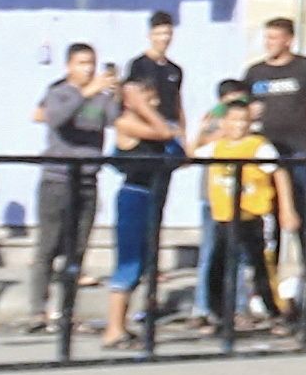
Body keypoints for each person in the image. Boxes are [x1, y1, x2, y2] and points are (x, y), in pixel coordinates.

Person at [235, 18, 306, 292]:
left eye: (275, 38)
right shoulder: (255, 72)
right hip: (265, 152)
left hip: (298, 151)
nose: (269, 43)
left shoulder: (305, 67)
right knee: (267, 214)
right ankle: (266, 278)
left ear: (288, 40)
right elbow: (235, 104)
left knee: (303, 213)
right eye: (267, 37)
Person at [102, 40, 187, 351]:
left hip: (153, 194)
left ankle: (124, 325)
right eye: (146, 98)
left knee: (142, 262)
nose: (152, 104)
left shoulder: (151, 118)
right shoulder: (125, 122)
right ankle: (113, 328)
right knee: (128, 262)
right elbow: (164, 132)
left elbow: (177, 146)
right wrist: (136, 105)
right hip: (134, 195)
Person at [25, 42, 114, 321]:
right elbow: (56, 119)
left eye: (91, 63)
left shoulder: (101, 96)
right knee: (48, 246)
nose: (88, 69)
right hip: (58, 179)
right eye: (82, 63)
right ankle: (37, 309)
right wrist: (85, 92)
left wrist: (116, 94)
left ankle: (66, 310)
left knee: (77, 248)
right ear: (69, 66)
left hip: (87, 179)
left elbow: (114, 120)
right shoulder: (59, 92)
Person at [194, 93, 286, 334]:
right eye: (233, 120)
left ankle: (276, 313)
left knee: (259, 266)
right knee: (217, 265)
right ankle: (219, 315)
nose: (239, 126)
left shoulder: (259, 146)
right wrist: (206, 127)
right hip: (224, 217)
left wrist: (287, 209)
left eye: (244, 121)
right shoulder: (218, 147)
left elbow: (278, 173)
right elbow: (192, 153)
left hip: (252, 216)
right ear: (224, 123)